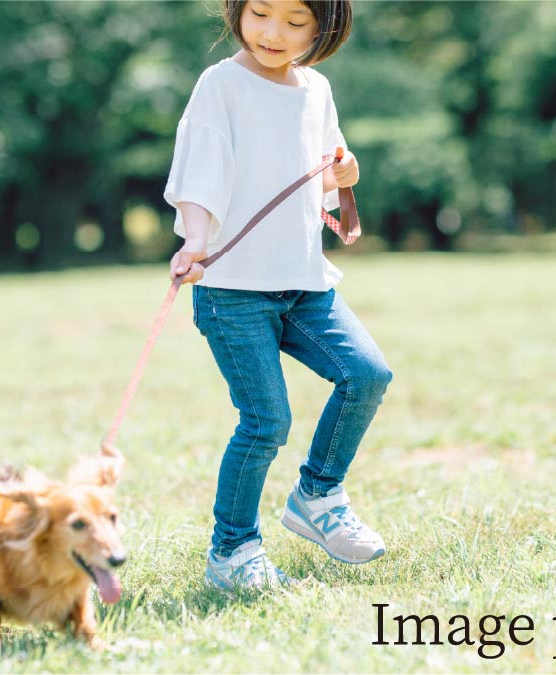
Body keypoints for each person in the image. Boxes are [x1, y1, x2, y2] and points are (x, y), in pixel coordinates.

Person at [163, 0, 394, 590]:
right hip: (233, 290)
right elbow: (200, 169)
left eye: (295, 22)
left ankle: (318, 495)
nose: (273, 33)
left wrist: (344, 173)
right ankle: (232, 553)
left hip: (303, 280)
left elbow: (326, 169)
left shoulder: (317, 89)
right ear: (238, 9)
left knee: (366, 375)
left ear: (323, 27)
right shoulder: (221, 85)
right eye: (261, 13)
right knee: (266, 421)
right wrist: (195, 239)